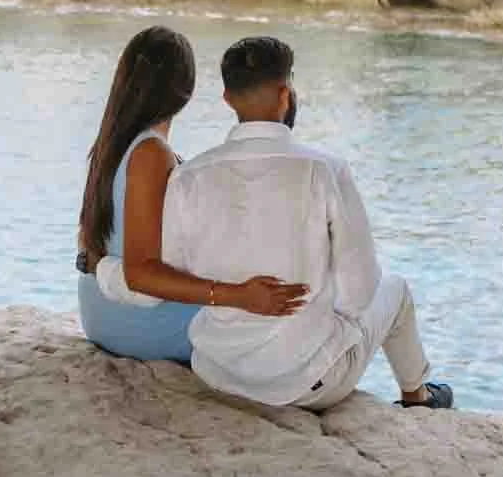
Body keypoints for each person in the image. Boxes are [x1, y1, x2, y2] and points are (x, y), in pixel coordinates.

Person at [161, 35, 453, 411]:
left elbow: (171, 273)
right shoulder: (324, 169)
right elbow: (360, 292)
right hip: (305, 386)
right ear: (286, 94)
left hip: (218, 373)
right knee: (393, 289)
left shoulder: (189, 176)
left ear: (227, 99)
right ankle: (418, 396)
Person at [75, 25, 307, 361]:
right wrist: (237, 295)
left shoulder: (112, 143)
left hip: (100, 313)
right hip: (140, 327)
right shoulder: (150, 155)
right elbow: (141, 274)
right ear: (187, 90)